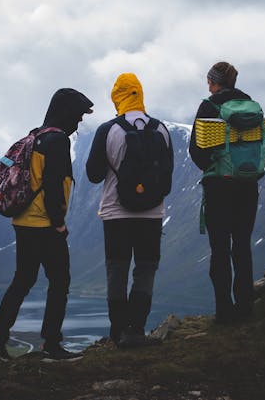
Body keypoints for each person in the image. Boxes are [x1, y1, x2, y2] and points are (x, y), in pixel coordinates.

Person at [0, 88, 94, 362]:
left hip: (22, 221)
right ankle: (52, 345)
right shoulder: (58, 141)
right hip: (45, 223)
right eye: (78, 115)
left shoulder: (35, 136)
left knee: (23, 279)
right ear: (67, 112)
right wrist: (58, 223)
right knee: (60, 281)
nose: (79, 122)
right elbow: (55, 185)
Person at [85, 73, 173, 347]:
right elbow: (168, 174)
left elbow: (93, 174)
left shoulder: (108, 130)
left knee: (117, 271)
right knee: (145, 270)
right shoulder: (161, 130)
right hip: (152, 213)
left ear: (117, 97)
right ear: (140, 94)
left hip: (116, 213)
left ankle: (117, 332)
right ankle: (136, 330)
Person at [188, 62, 265, 324]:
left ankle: (224, 311)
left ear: (214, 82)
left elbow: (196, 150)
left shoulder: (209, 107)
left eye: (208, 80)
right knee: (242, 247)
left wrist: (215, 166)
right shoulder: (253, 106)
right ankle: (246, 307)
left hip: (219, 188)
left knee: (220, 249)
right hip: (248, 186)